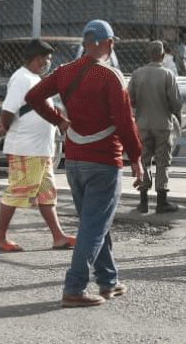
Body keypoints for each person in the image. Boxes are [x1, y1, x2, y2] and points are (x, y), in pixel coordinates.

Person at [26, 19, 143, 308]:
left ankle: (108, 281)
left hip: (75, 162)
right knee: (93, 226)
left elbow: (33, 97)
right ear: (109, 43)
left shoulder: (65, 72)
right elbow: (125, 123)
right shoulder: (111, 76)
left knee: (95, 222)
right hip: (104, 161)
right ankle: (74, 288)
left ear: (84, 43)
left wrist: (59, 121)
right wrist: (137, 159)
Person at [0, 39, 75, 252]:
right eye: (45, 60)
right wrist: (5, 127)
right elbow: (9, 109)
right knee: (18, 191)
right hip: (26, 149)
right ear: (37, 59)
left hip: (38, 150)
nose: (47, 63)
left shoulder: (33, 78)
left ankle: (58, 237)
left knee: (47, 193)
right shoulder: (22, 79)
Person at [128, 40, 182, 214]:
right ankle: (161, 201)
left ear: (147, 55)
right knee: (163, 163)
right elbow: (175, 103)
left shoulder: (137, 74)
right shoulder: (167, 75)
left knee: (144, 161)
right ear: (162, 55)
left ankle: (143, 201)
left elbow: (131, 100)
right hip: (162, 125)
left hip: (142, 124)